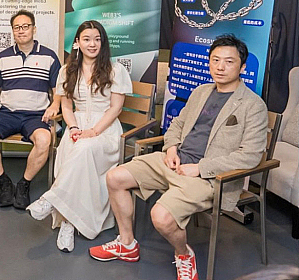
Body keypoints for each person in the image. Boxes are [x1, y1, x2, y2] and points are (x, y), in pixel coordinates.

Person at [89, 34, 269, 280]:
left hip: (209, 177)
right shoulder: (201, 92)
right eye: (215, 60)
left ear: (243, 67)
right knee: (115, 177)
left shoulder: (253, 105)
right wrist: (171, 148)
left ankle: (184, 254)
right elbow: (176, 125)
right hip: (175, 161)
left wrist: (200, 168)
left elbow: (250, 156)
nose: (220, 67)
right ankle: (127, 244)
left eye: (229, 61)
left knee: (161, 217)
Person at [27, 20, 132, 252]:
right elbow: (66, 106)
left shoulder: (115, 70)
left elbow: (116, 108)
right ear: (77, 42)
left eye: (97, 39)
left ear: (103, 42)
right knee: (72, 148)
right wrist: (73, 128)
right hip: (77, 125)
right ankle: (68, 223)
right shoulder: (67, 70)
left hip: (105, 129)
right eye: (86, 39)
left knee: (84, 148)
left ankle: (52, 200)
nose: (92, 44)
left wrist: (93, 131)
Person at [0, 9, 61, 209]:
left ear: (34, 29)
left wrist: (55, 105)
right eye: (17, 28)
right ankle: (4, 182)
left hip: (36, 115)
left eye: (25, 26)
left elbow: (58, 89)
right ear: (12, 31)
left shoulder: (49, 56)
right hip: (7, 114)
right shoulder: (3, 57)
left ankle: (24, 184)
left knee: (44, 139)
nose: (21, 31)